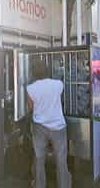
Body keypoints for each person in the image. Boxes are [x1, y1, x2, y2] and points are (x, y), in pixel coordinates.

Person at [27, 60, 71, 188]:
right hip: (58, 126)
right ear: (47, 71)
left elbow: (30, 107)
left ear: (33, 73)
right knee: (61, 160)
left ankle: (39, 185)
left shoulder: (30, 88)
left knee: (39, 158)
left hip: (39, 127)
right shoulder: (58, 84)